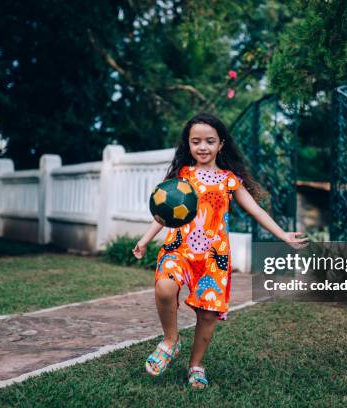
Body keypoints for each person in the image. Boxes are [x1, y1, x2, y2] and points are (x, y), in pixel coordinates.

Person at [132, 112, 308, 389]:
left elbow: (256, 210)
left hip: (214, 257)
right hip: (179, 249)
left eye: (209, 141)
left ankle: (196, 365)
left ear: (221, 144)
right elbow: (164, 214)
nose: (202, 147)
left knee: (208, 314)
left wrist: (282, 235)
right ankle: (170, 341)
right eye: (196, 141)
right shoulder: (183, 176)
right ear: (188, 145)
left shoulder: (229, 180)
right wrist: (144, 240)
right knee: (165, 287)